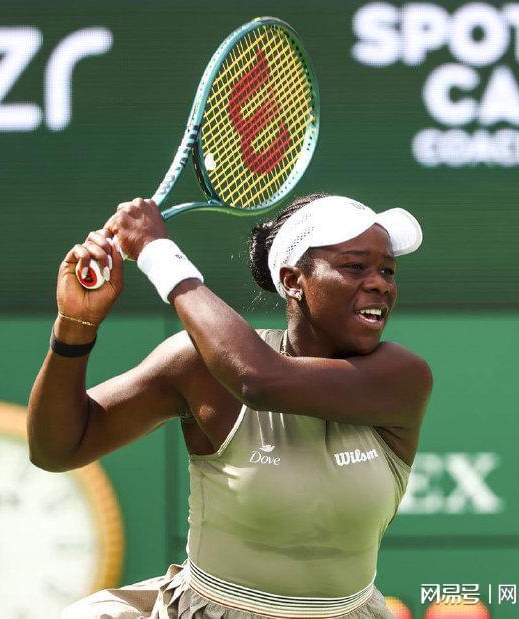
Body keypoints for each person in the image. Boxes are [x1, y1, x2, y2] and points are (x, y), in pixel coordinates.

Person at [28, 193, 433, 619]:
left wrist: (157, 252)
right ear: (293, 280)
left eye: (387, 270)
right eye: (355, 266)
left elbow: (257, 379)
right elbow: (57, 448)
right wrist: (75, 326)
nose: (380, 284)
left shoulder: (402, 377)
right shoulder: (200, 367)